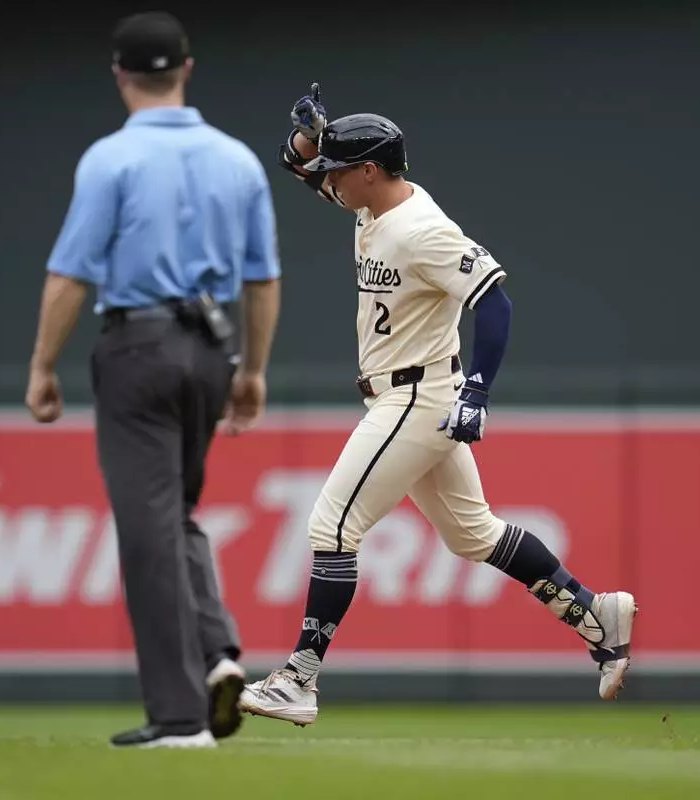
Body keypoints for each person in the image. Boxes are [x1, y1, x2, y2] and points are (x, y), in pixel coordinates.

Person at [236, 84, 636, 727]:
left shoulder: (423, 229)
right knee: (474, 535)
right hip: (404, 391)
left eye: (340, 169)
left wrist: (478, 389)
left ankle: (299, 678)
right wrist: (312, 139)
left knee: (332, 527)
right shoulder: (372, 205)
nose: (330, 181)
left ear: (370, 170)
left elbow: (495, 300)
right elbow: (305, 169)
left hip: (418, 395)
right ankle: (595, 612)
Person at [24, 11, 282, 749]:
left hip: (138, 347)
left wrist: (43, 365)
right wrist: (252, 371)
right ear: (187, 70)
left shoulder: (111, 159)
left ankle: (178, 718)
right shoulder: (238, 160)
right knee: (175, 516)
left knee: (147, 531)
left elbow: (71, 273)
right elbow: (262, 279)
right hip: (211, 353)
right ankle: (217, 654)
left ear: (120, 75)